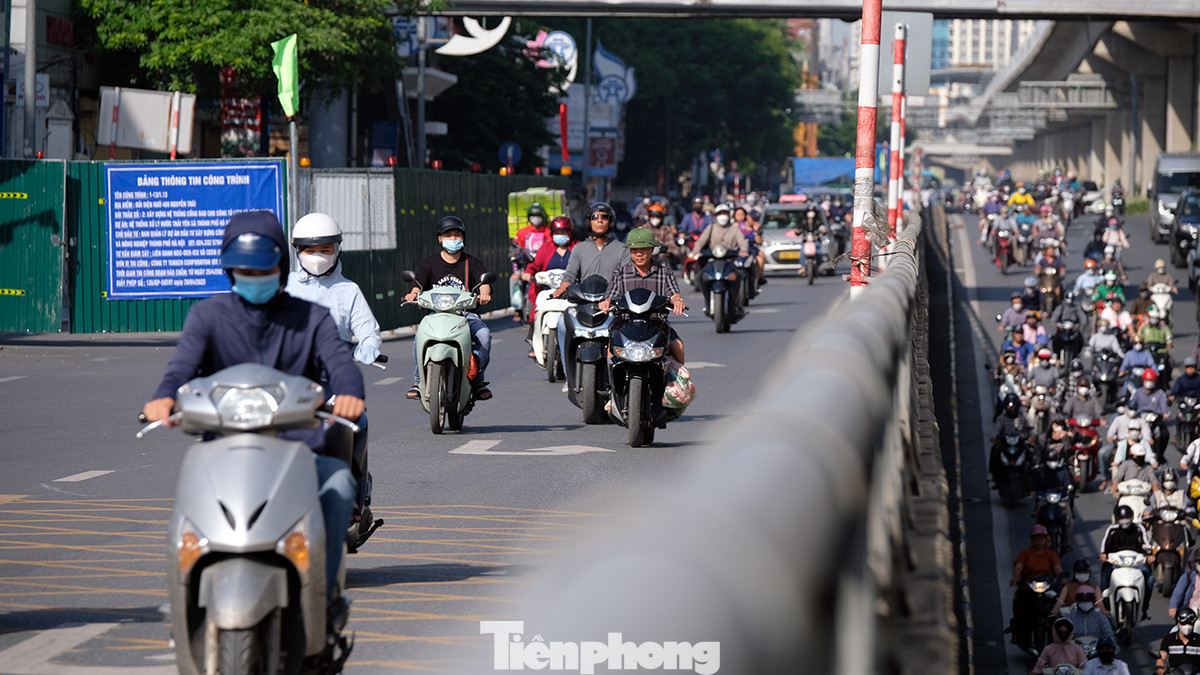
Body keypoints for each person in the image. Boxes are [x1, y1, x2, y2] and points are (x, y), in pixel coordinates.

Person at [142, 210, 363, 603]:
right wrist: (164, 396)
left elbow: (340, 363)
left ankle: (324, 594)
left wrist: (348, 390)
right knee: (188, 495)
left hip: (297, 448)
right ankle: (185, 598)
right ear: (229, 271)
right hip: (221, 449)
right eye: (243, 271)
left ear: (280, 268)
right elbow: (181, 366)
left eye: (262, 271)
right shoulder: (207, 315)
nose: (253, 278)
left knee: (340, 483)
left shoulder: (311, 318)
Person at [285, 212, 381, 530]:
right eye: (309, 250)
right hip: (289, 382)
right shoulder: (283, 290)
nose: (317, 257)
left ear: (337, 250)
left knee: (356, 422)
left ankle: (353, 499)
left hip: (332, 381)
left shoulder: (348, 291)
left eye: (325, 249)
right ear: (297, 251)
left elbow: (368, 331)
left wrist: (367, 349)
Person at [404, 216, 494, 401]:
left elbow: (483, 283)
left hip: (465, 315)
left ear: (463, 237)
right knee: (419, 336)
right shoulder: (430, 263)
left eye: (457, 235)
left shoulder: (472, 263)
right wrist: (413, 294)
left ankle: (477, 380)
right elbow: (417, 285)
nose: (453, 239)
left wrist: (484, 293)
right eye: (448, 235)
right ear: (440, 238)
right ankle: (418, 381)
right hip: (435, 315)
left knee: (484, 335)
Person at [597, 228, 687, 364]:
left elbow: (674, 294)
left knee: (678, 346)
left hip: (656, 325)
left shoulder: (664, 273)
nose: (639, 254)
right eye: (634, 250)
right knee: (611, 349)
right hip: (625, 326)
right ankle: (613, 381)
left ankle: (678, 381)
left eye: (643, 249)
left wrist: (678, 301)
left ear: (652, 250)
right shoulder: (620, 274)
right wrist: (606, 302)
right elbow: (611, 296)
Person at [522, 216, 576, 353]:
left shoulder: (577, 247)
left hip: (571, 291)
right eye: (557, 233)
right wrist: (528, 273)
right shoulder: (546, 247)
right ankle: (534, 341)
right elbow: (535, 265)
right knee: (537, 312)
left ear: (569, 232)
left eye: (563, 232)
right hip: (548, 290)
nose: (560, 236)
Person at [689, 203, 750, 316]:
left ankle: (736, 302)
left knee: (738, 276)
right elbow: (701, 241)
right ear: (716, 216)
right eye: (720, 214)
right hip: (713, 261)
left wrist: (743, 250)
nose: (723, 216)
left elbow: (742, 241)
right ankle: (707, 301)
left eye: (725, 214)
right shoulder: (710, 228)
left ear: (729, 215)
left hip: (730, 261)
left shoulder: (734, 229)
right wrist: (695, 251)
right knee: (700, 276)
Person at [1010, 524, 1064, 649]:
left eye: (1041, 538)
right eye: (1036, 538)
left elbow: (1057, 567)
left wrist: (1062, 577)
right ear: (1032, 540)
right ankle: (1017, 628)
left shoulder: (1050, 554)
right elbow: (1019, 566)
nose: (1039, 541)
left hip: (1046, 587)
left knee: (1057, 608)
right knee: (1018, 600)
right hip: (1029, 587)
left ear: (1046, 539)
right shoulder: (1025, 553)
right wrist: (1015, 578)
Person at [1099, 503, 1155, 619]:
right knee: (1105, 575)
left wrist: (1150, 555)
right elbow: (1104, 546)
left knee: (1150, 579)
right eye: (1121, 519)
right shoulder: (1112, 530)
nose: (1125, 521)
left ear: (1132, 517)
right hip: (1116, 563)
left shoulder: (1139, 528)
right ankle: (1105, 606)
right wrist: (1103, 554)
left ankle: (1144, 606)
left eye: (1127, 518)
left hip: (1136, 563)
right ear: (1117, 519)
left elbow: (1146, 544)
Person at [1157, 608, 1200, 675]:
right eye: (1183, 623)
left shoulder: (1198, 639)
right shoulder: (1169, 639)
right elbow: (1162, 658)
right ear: (1177, 623)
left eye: (1189, 623)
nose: (1187, 626)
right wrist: (1160, 668)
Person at [1170, 552, 1200, 617]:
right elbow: (1177, 594)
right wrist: (1173, 606)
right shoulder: (1187, 577)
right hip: (1190, 612)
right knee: (1183, 627)